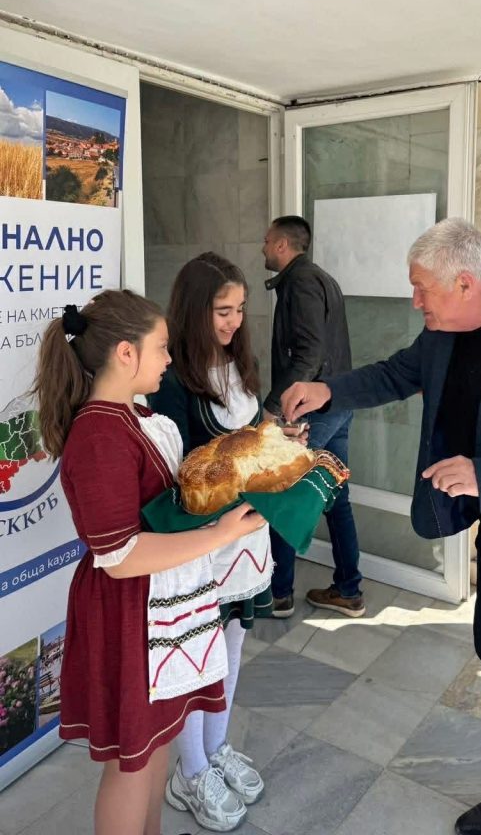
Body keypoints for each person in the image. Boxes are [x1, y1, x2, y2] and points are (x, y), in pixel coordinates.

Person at [281, 218, 481, 835]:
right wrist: (326, 391)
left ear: (465, 283)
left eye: (422, 288)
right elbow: (397, 373)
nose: (415, 301)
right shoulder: (446, 329)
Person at [33, 290, 265, 835]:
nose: (168, 359)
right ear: (125, 353)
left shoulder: (135, 416)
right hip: (128, 611)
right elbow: (118, 555)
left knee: (158, 742)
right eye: (161, 347)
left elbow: (166, 505)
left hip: (159, 606)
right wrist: (219, 533)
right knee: (130, 763)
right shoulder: (100, 434)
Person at [150, 253, 275, 832]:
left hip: (246, 539)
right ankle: (191, 771)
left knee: (232, 643)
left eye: (240, 309)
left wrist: (276, 440)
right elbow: (179, 473)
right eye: (223, 311)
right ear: (194, 310)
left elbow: (251, 438)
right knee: (194, 656)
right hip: (202, 543)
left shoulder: (240, 362)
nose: (234, 321)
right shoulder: (172, 379)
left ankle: (216, 747)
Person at [262, 215, 364, 619]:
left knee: (283, 494)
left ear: (282, 245)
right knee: (337, 498)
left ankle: (279, 595)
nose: (263, 247)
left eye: (267, 241)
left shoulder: (301, 282)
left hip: (312, 409)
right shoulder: (321, 279)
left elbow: (309, 353)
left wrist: (274, 406)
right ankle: (349, 590)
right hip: (337, 403)